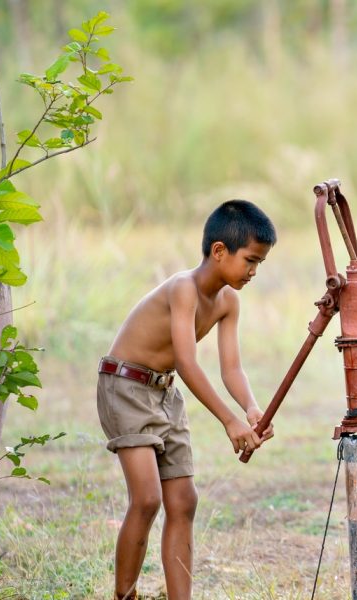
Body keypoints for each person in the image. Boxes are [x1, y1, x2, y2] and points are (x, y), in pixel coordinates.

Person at [96, 199, 277, 600]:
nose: (253, 271)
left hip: (164, 392)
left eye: (259, 264)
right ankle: (124, 595)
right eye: (249, 260)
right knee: (146, 498)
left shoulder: (229, 301)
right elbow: (187, 361)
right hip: (124, 386)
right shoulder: (183, 289)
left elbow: (232, 369)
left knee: (183, 500)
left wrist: (249, 407)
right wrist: (229, 421)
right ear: (218, 251)